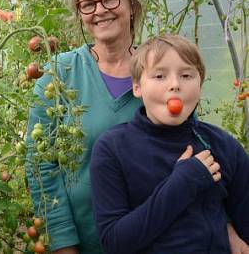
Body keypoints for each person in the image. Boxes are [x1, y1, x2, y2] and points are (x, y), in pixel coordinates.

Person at [24, 0, 248, 254]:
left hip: (158, 238)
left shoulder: (159, 72)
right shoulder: (58, 75)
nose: (100, 10)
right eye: (88, 4)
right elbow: (40, 165)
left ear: (132, 4)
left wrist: (225, 224)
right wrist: (63, 243)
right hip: (86, 238)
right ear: (80, 14)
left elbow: (194, 152)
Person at [90, 34, 249, 253]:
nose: (175, 85)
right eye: (159, 76)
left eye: (186, 75)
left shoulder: (223, 145)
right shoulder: (112, 148)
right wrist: (183, 183)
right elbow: (116, 242)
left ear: (200, 86)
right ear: (137, 87)